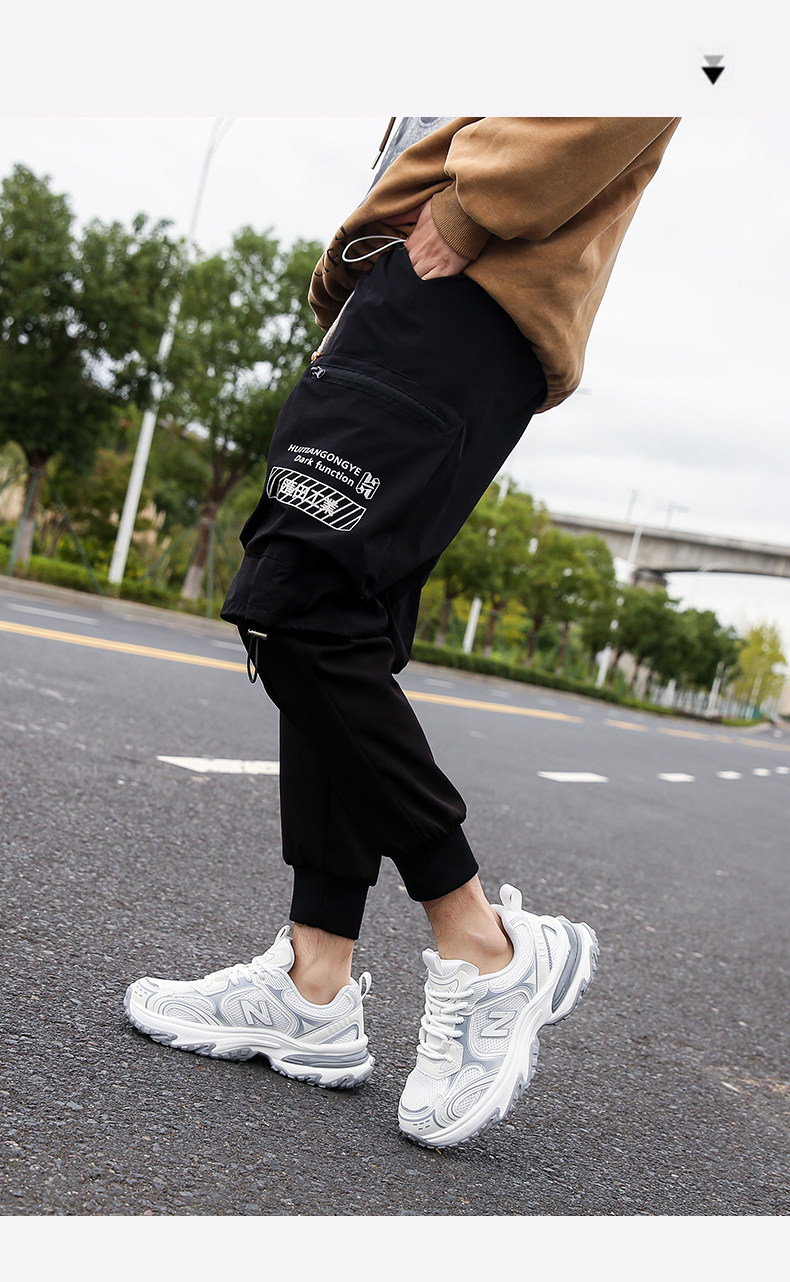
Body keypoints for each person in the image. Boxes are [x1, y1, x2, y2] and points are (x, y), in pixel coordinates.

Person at [125, 117, 680, 1149]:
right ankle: (315, 978)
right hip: (410, 290)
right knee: (339, 616)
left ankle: (486, 945)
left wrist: (469, 209)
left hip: (463, 282)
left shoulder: (475, 234)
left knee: (299, 602)